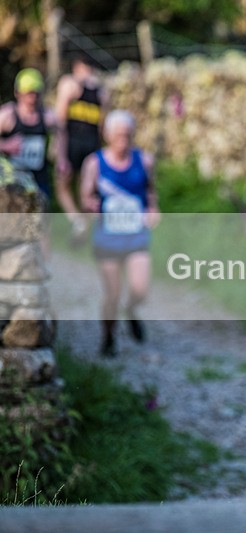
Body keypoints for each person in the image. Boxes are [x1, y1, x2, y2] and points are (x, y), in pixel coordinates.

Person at [80, 110, 160, 357]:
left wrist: (153, 209)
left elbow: (151, 191)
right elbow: (86, 196)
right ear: (108, 135)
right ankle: (108, 338)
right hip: (107, 238)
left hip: (136, 236)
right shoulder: (94, 163)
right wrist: (91, 205)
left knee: (140, 288)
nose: (123, 140)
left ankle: (132, 310)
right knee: (112, 293)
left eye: (127, 135)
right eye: (118, 135)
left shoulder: (144, 160)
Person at [55, 53, 108, 242]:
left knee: (62, 186)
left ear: (77, 67)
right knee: (85, 188)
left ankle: (77, 221)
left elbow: (60, 121)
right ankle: (86, 226)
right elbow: (103, 127)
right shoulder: (102, 91)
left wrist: (59, 152)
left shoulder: (69, 84)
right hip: (92, 143)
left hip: (72, 141)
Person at [0, 68, 57, 202]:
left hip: (38, 178)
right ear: (17, 93)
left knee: (41, 210)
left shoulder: (47, 116)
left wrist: (60, 156)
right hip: (11, 179)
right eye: (28, 94)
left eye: (36, 93)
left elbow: (61, 133)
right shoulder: (7, 115)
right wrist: (5, 145)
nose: (32, 98)